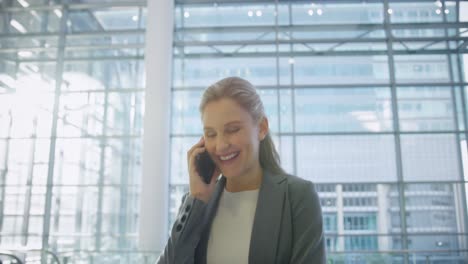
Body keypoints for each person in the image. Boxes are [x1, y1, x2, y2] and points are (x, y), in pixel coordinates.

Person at [157, 77, 325, 264]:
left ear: (261, 128)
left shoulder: (297, 196)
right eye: (211, 134)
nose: (220, 146)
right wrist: (197, 200)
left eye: (232, 130)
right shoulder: (198, 203)